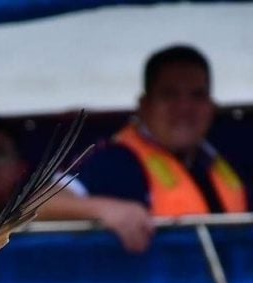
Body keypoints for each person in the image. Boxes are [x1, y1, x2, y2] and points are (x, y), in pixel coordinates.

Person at [42, 44, 246, 253]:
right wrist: (104, 209)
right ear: (144, 106)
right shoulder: (119, 160)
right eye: (170, 95)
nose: (185, 108)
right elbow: (36, 205)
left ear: (211, 106)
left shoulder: (226, 160)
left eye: (197, 95)